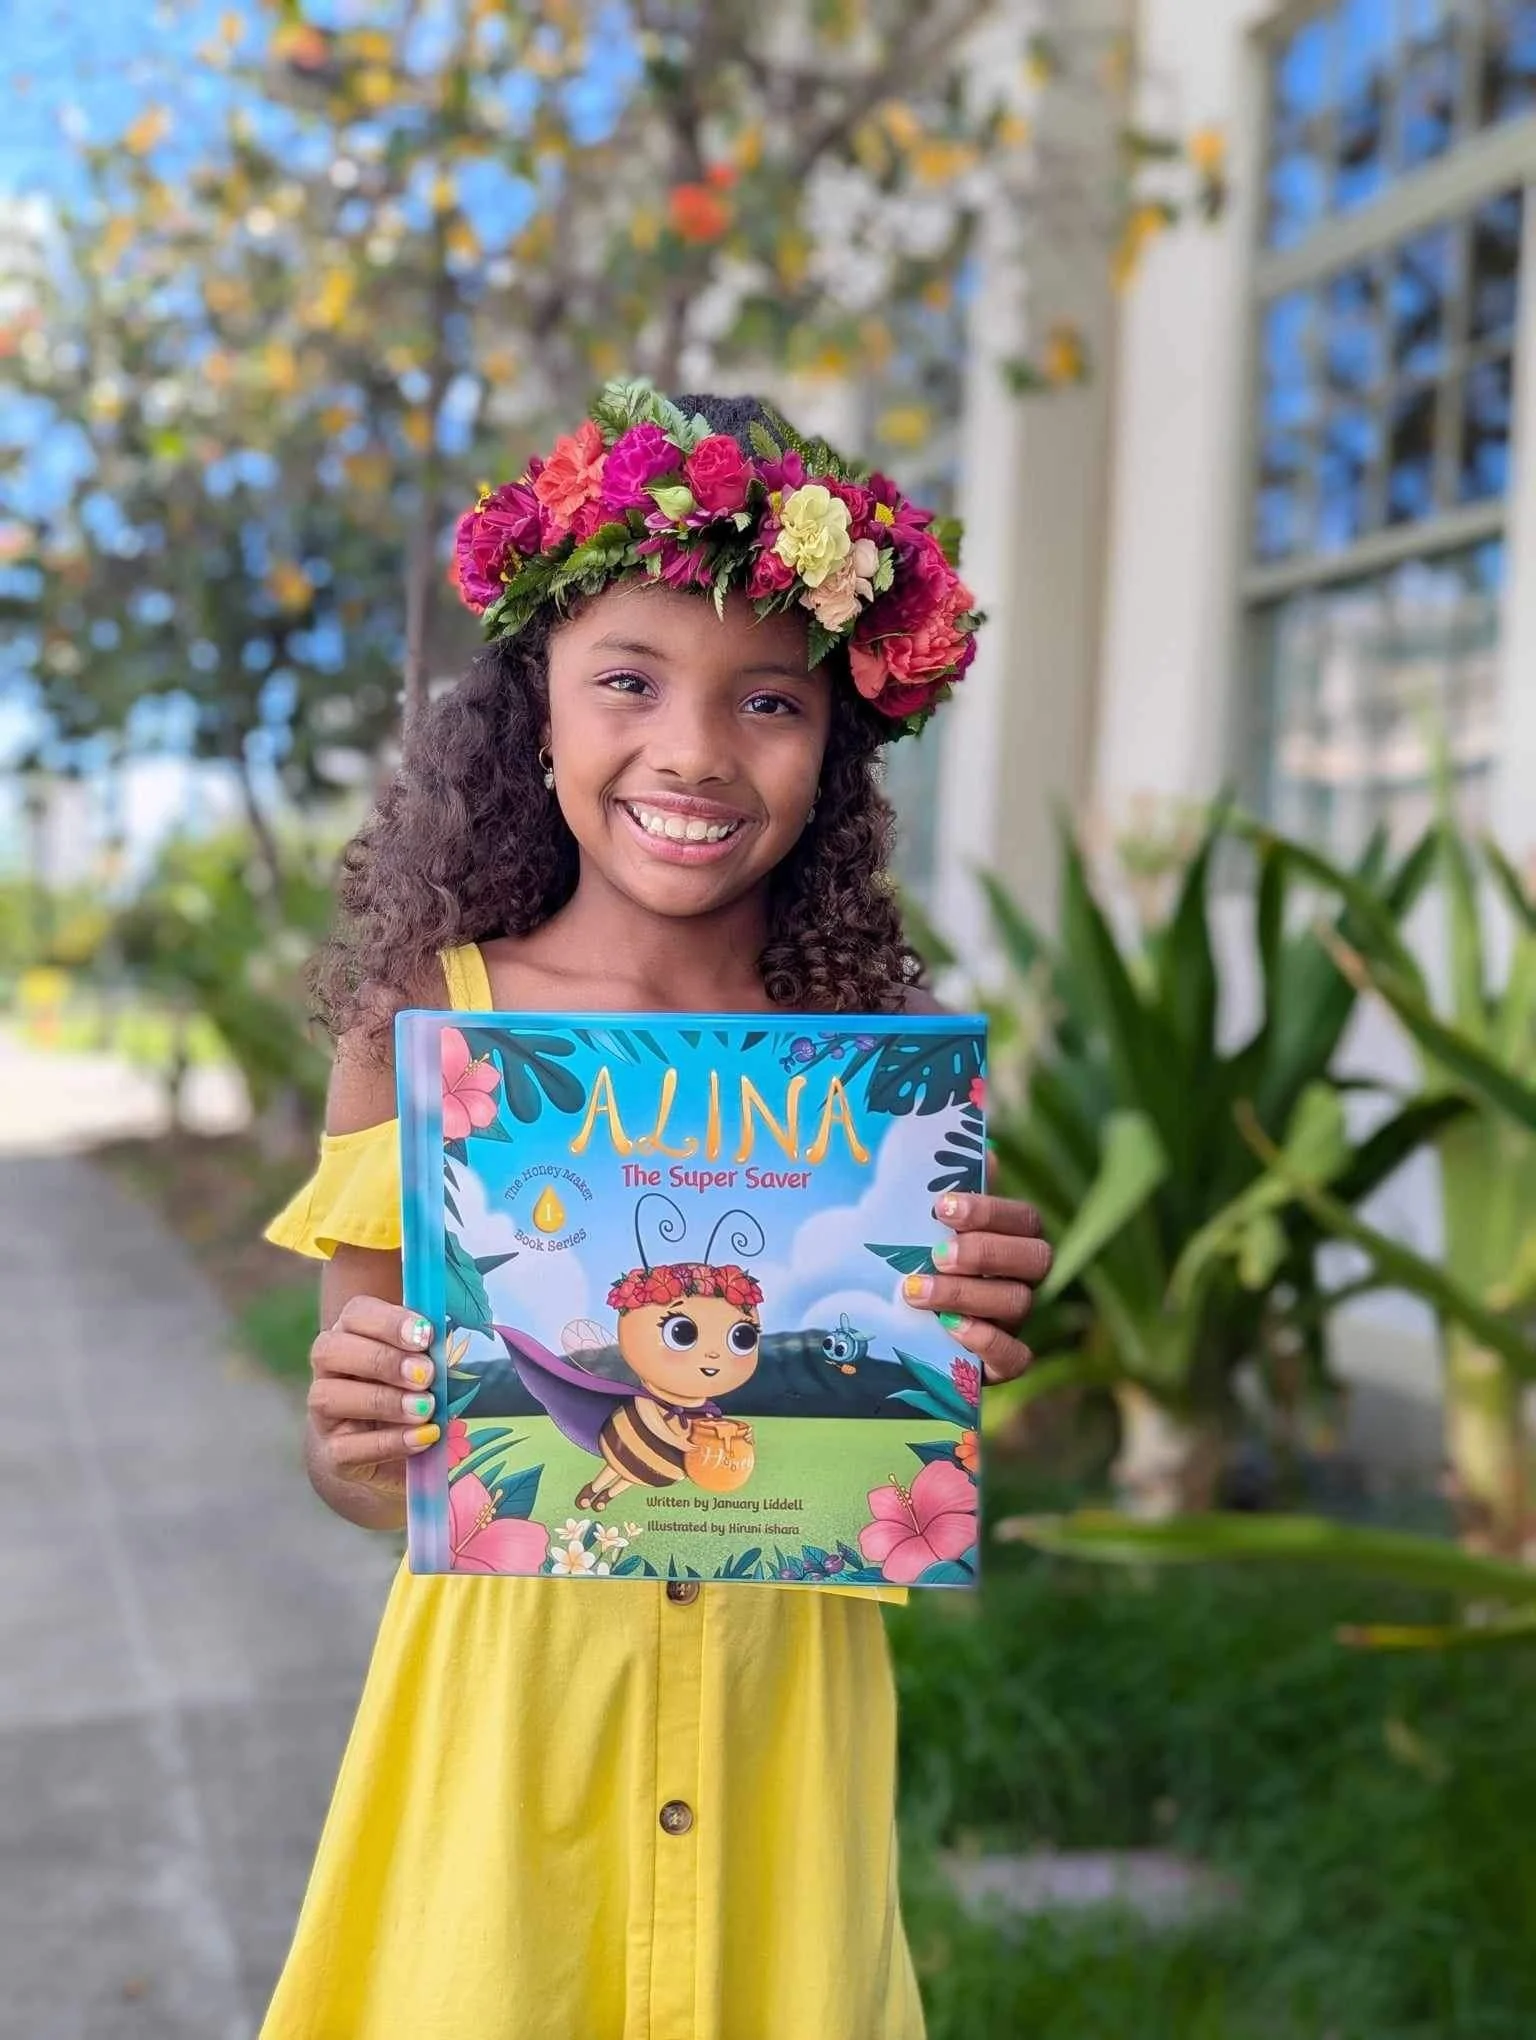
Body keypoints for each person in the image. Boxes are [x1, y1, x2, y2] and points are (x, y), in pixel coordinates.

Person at [262, 382, 1053, 2040]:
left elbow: (917, 1455)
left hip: (782, 1751)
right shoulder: (431, 1025)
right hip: (511, 1758)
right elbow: (370, 1476)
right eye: (629, 679)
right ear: (537, 710)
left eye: (768, 699)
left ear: (836, 745)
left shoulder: (885, 1079)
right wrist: (353, 1434)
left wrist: (980, 1337)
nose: (693, 751)